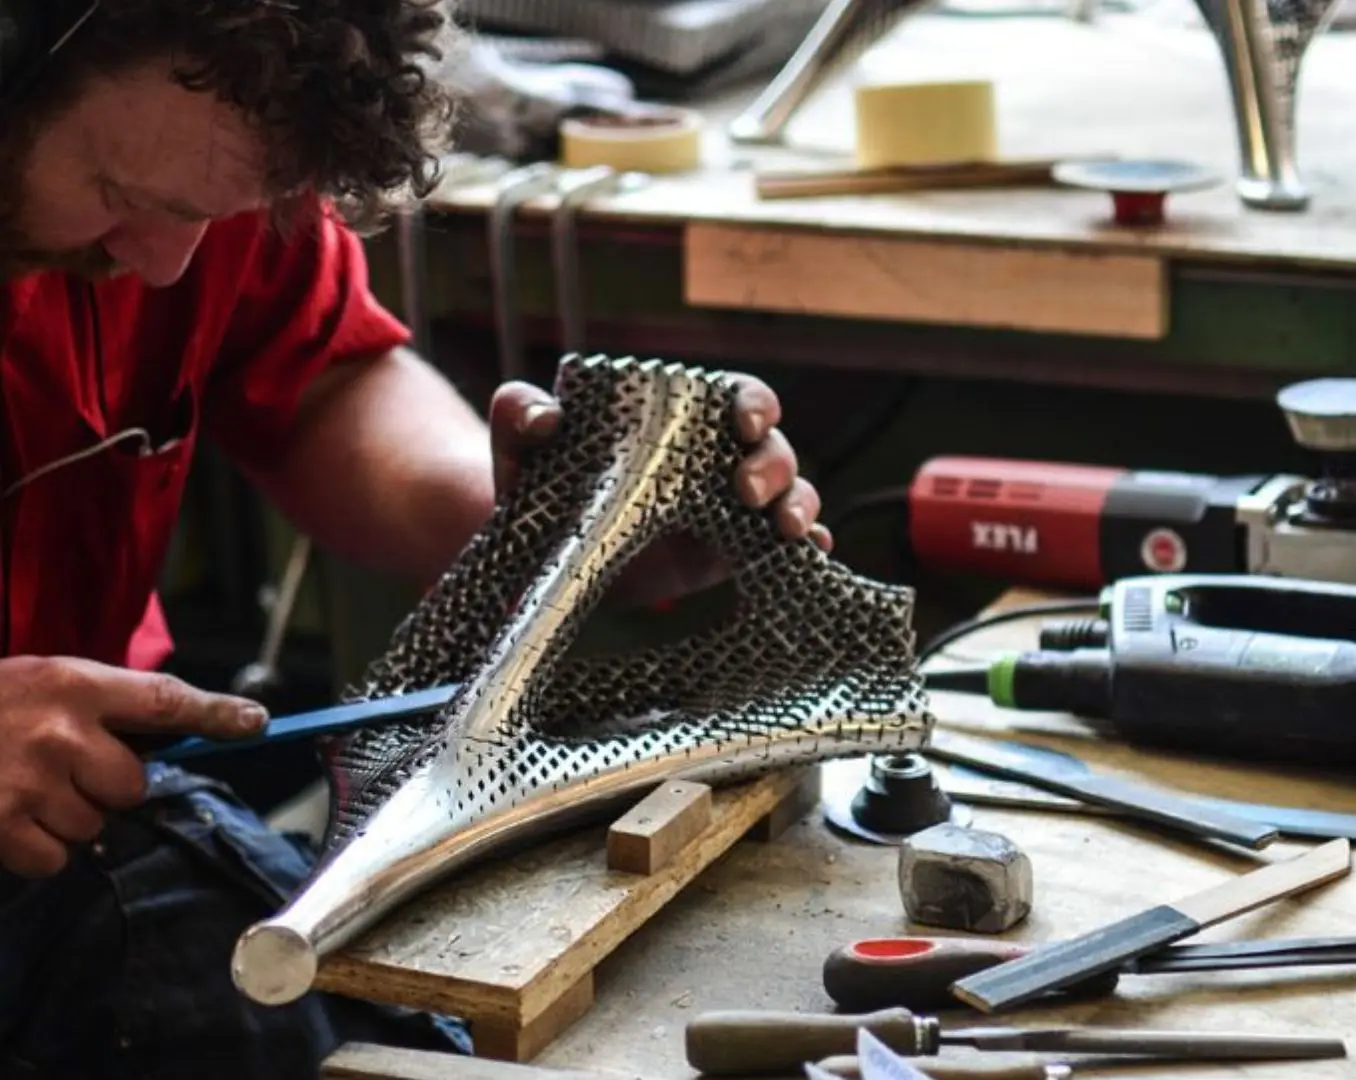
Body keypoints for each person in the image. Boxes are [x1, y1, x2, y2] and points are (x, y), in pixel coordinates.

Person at [0, 3, 832, 1078]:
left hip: (79, 803)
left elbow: (316, 382)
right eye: (118, 199)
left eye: (217, 214)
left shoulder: (205, 138)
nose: (169, 265)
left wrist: (529, 525)